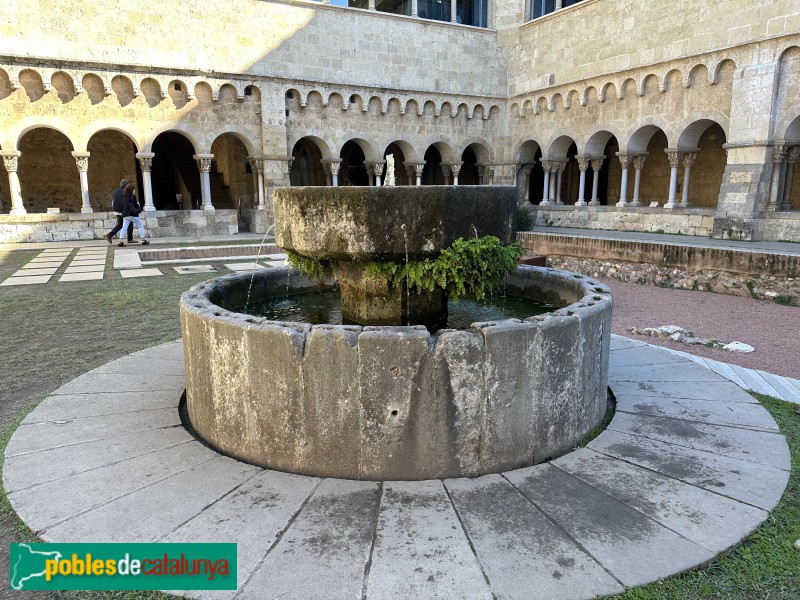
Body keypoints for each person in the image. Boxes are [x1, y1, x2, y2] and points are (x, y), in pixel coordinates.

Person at [105, 178, 135, 244]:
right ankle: (130, 239)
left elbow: (113, 200)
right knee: (130, 222)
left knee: (120, 224)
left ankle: (110, 235)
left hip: (116, 210)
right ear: (127, 185)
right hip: (123, 211)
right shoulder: (126, 191)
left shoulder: (116, 190)